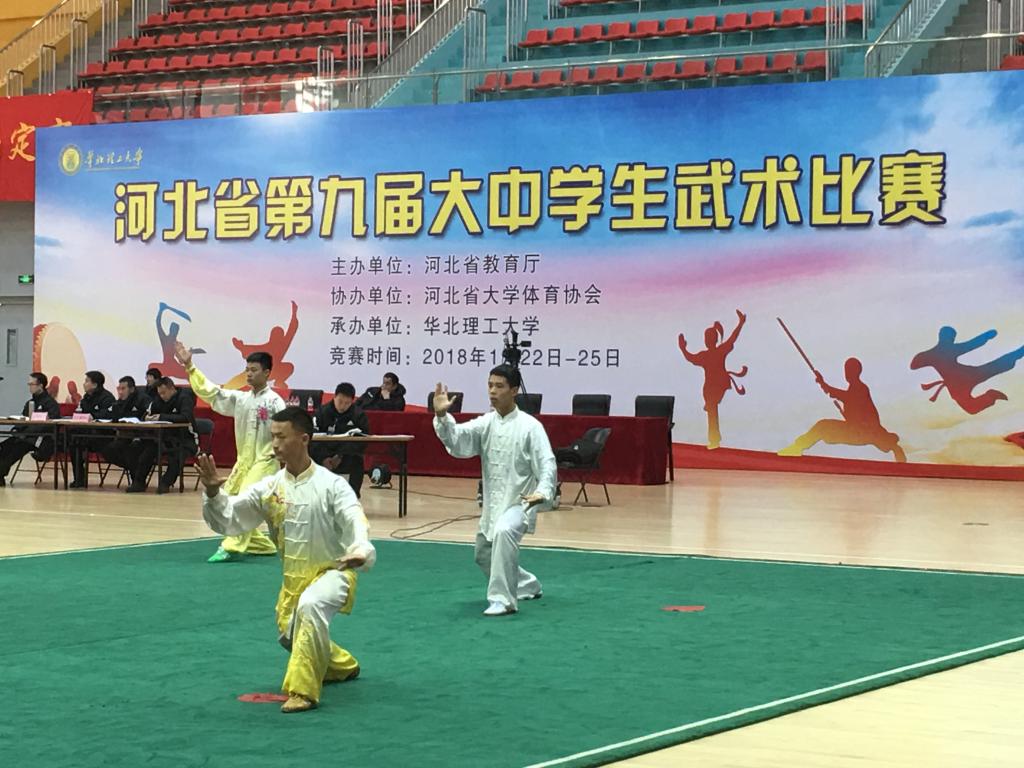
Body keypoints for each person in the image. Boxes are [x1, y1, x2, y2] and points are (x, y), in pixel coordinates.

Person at [197, 406, 374, 713]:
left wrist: (360, 549)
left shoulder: (332, 485)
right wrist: (214, 494)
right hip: (293, 583)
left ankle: (303, 691)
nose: (275, 444)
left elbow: (354, 518)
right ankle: (342, 665)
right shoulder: (270, 488)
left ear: (304, 439)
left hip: (335, 572)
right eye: (272, 437)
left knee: (311, 606)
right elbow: (230, 518)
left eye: (281, 437)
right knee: (292, 635)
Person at [433, 365, 556, 617]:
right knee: (483, 553)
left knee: (503, 531)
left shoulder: (530, 426)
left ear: (514, 390)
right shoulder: (486, 422)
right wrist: (443, 417)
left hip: (521, 502)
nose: (492, 391)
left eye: (499, 386)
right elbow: (458, 439)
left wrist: (543, 492)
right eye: (490, 385)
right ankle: (527, 585)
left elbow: (547, 463)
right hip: (493, 504)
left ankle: (503, 600)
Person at [176, 340, 284, 562]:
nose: (249, 374)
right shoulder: (241, 399)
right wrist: (190, 367)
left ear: (267, 372)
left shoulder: (275, 402)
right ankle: (260, 543)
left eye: (254, 370)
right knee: (230, 497)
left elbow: (286, 432)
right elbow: (213, 393)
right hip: (244, 461)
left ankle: (231, 546)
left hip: (266, 461)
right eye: (247, 369)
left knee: (244, 500)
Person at [779, 358, 906, 462]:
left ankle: (797, 448)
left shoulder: (860, 388)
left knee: (822, 426)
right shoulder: (855, 388)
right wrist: (824, 385)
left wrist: (823, 383)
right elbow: (846, 399)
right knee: (823, 427)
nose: (847, 373)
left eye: (849, 370)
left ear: (856, 372)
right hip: (858, 430)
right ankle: (798, 447)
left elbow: (844, 396)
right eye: (846, 370)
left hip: (861, 432)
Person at [678, 310, 748, 449]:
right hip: (713, 387)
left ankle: (714, 437)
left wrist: (683, 349)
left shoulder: (712, 353)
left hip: (717, 386)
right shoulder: (715, 352)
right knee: (711, 407)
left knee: (712, 407)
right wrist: (683, 348)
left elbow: (691, 357)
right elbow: (732, 338)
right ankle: (714, 435)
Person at [126, 377, 198, 493]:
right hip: (163, 438)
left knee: (176, 457)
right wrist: (147, 418)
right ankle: (139, 482)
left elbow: (186, 417)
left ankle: (165, 483)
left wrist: (162, 417)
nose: (162, 396)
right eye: (159, 393)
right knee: (146, 453)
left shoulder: (185, 398)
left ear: (172, 389)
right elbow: (146, 414)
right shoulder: (158, 400)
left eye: (164, 393)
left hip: (186, 439)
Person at [0, 372, 61, 486]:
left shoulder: (51, 403)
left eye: (32, 384)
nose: (30, 387)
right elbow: (23, 419)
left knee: (17, 448)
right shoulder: (30, 403)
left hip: (41, 439)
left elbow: (50, 424)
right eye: (29, 384)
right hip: (25, 436)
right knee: (4, 446)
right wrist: (16, 429)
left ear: (40, 385)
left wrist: (27, 432)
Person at [312, 382, 370, 497]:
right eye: (340, 401)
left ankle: (352, 497)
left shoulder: (359, 415)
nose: (342, 406)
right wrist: (323, 458)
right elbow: (313, 437)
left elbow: (362, 440)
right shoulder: (321, 412)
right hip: (323, 458)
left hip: (347, 458)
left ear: (352, 401)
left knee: (357, 460)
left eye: (347, 403)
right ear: (334, 397)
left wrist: (340, 456)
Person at [70, 370, 116, 488]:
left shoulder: (107, 397)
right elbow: (81, 412)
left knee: (78, 441)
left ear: (95, 384)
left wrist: (93, 416)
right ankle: (79, 478)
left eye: (87, 381)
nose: (84, 384)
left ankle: (80, 478)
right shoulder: (86, 397)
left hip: (102, 435)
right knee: (73, 441)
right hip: (86, 434)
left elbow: (109, 415)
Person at [102, 376, 152, 477]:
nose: (120, 392)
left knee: (132, 450)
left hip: (142, 436)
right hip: (125, 435)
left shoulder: (143, 399)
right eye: (119, 389)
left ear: (132, 389)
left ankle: (137, 477)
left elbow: (148, 416)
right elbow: (112, 417)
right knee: (108, 450)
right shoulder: (119, 402)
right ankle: (134, 469)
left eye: (123, 389)